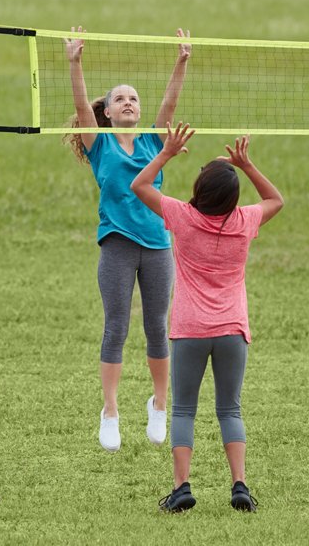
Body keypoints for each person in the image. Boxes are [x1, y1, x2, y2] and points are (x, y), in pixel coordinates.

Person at [130, 125, 283, 514]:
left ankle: (181, 489)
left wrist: (165, 153)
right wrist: (246, 165)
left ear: (200, 191)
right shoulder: (245, 221)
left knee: (183, 410)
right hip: (233, 330)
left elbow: (140, 186)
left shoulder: (182, 217)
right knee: (230, 409)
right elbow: (275, 199)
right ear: (233, 198)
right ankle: (240, 486)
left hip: (190, 329)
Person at [64, 26, 191, 452]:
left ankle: (159, 403)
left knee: (158, 327)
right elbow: (82, 104)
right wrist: (75, 61)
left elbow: (170, 102)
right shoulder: (99, 144)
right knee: (116, 327)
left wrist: (181, 61)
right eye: (121, 98)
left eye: (134, 98)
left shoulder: (156, 140)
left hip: (157, 243)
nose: (129, 102)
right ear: (110, 112)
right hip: (117, 243)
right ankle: (111, 411)